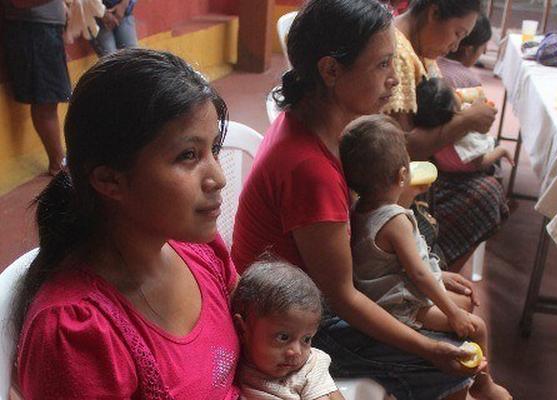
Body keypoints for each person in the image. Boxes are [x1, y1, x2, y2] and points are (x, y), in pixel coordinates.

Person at [232, 1, 485, 399]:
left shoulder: (320, 126)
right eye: (383, 65)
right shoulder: (308, 167)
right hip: (291, 326)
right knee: (452, 361)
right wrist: (428, 349)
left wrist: (423, 269)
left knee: (455, 312)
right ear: (331, 70)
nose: (394, 81)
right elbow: (342, 297)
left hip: (311, 294)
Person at [12, 48, 240, 399]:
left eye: (214, 149)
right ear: (109, 180)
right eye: (187, 155)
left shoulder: (203, 252)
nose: (218, 177)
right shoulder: (78, 333)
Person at [340, 114, 512, 400]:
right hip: (400, 307)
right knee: (476, 326)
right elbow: (418, 273)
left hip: (382, 297)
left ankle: (468, 370)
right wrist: (452, 313)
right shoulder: (395, 221)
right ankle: (483, 383)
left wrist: (441, 276)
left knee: (464, 302)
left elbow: (394, 263)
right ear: (402, 176)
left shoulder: (360, 210)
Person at [384, 1, 505, 271]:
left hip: (415, 163)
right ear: (434, 12)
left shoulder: (421, 48)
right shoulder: (399, 54)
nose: (455, 46)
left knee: (488, 184)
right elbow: (401, 149)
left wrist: (463, 114)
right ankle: (429, 275)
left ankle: (433, 275)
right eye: (458, 33)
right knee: (486, 197)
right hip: (389, 177)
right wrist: (467, 121)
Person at [232, 259, 344, 400]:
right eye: (283, 337)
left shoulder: (309, 368)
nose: (296, 352)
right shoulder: (231, 368)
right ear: (242, 330)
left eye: (306, 339)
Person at [2, 0, 70, 176]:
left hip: (45, 28)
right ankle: (58, 163)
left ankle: (60, 160)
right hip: (33, 29)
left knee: (50, 98)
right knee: (45, 100)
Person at [414, 77, 513, 173]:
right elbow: (480, 163)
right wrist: (501, 151)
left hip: (442, 168)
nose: (455, 90)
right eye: (453, 92)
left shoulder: (428, 126)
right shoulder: (463, 129)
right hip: (467, 170)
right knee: (495, 146)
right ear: (453, 108)